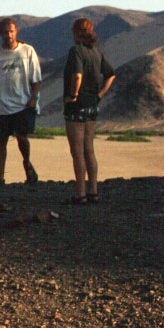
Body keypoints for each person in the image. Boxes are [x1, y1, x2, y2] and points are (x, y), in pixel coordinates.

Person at [0, 17, 42, 185]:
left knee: (22, 137)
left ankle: (27, 163)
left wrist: (33, 98)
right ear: (0, 34)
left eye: (12, 31)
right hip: (2, 105)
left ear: (16, 32)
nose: (9, 35)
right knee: (2, 140)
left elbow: (36, 79)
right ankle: (0, 177)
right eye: (5, 32)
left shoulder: (27, 51)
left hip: (22, 102)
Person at [63, 18, 116, 204]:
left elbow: (77, 75)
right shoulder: (96, 52)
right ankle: (93, 191)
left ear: (76, 32)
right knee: (89, 150)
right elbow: (110, 74)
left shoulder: (76, 51)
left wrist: (73, 95)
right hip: (92, 104)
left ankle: (80, 193)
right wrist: (100, 94)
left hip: (77, 105)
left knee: (77, 151)